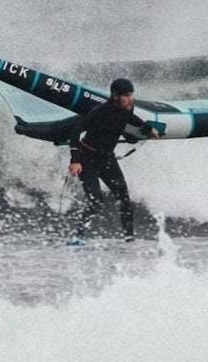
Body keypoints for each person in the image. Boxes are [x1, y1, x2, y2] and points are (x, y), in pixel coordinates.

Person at [67, 78, 161, 243]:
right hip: (87, 159)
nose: (130, 99)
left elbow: (131, 118)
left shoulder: (127, 108)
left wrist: (148, 128)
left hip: (106, 159)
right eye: (126, 96)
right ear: (115, 96)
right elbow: (75, 131)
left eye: (131, 95)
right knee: (96, 202)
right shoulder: (99, 112)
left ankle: (129, 239)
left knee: (124, 199)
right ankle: (78, 236)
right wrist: (75, 160)